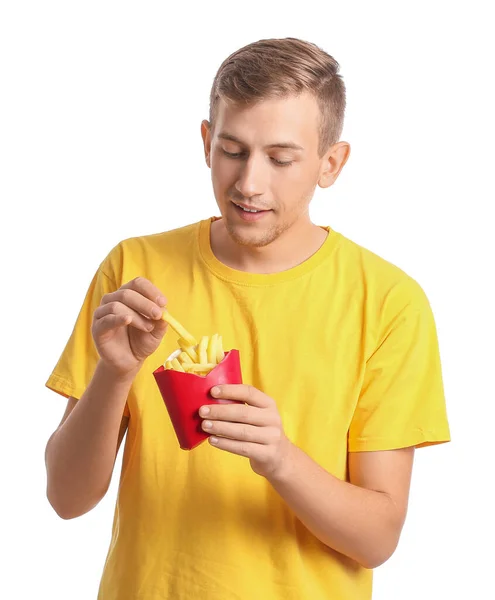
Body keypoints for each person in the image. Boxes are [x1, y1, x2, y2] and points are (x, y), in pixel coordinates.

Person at [44, 37, 451, 600]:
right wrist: (114, 374)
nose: (249, 184)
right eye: (233, 150)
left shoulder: (388, 302)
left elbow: (377, 538)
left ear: (330, 163)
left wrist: (280, 459)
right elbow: (66, 498)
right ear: (207, 142)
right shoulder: (135, 270)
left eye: (281, 159)